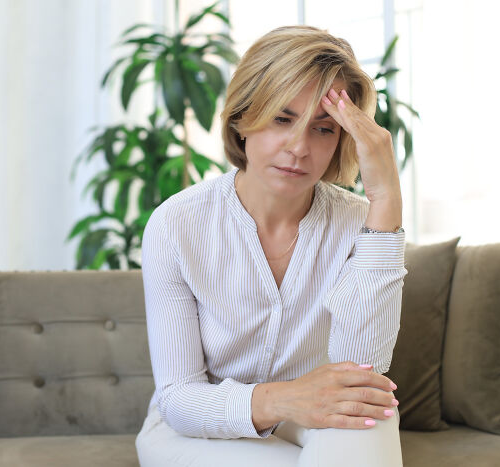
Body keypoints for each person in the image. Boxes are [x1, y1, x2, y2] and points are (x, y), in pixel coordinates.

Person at [136, 25, 408, 466]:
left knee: (368, 414)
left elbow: (361, 371)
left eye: (323, 129)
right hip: (199, 428)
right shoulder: (176, 224)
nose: (299, 148)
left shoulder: (362, 223)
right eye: (283, 119)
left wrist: (385, 199)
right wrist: (285, 399)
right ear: (243, 119)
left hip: (314, 416)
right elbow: (180, 398)